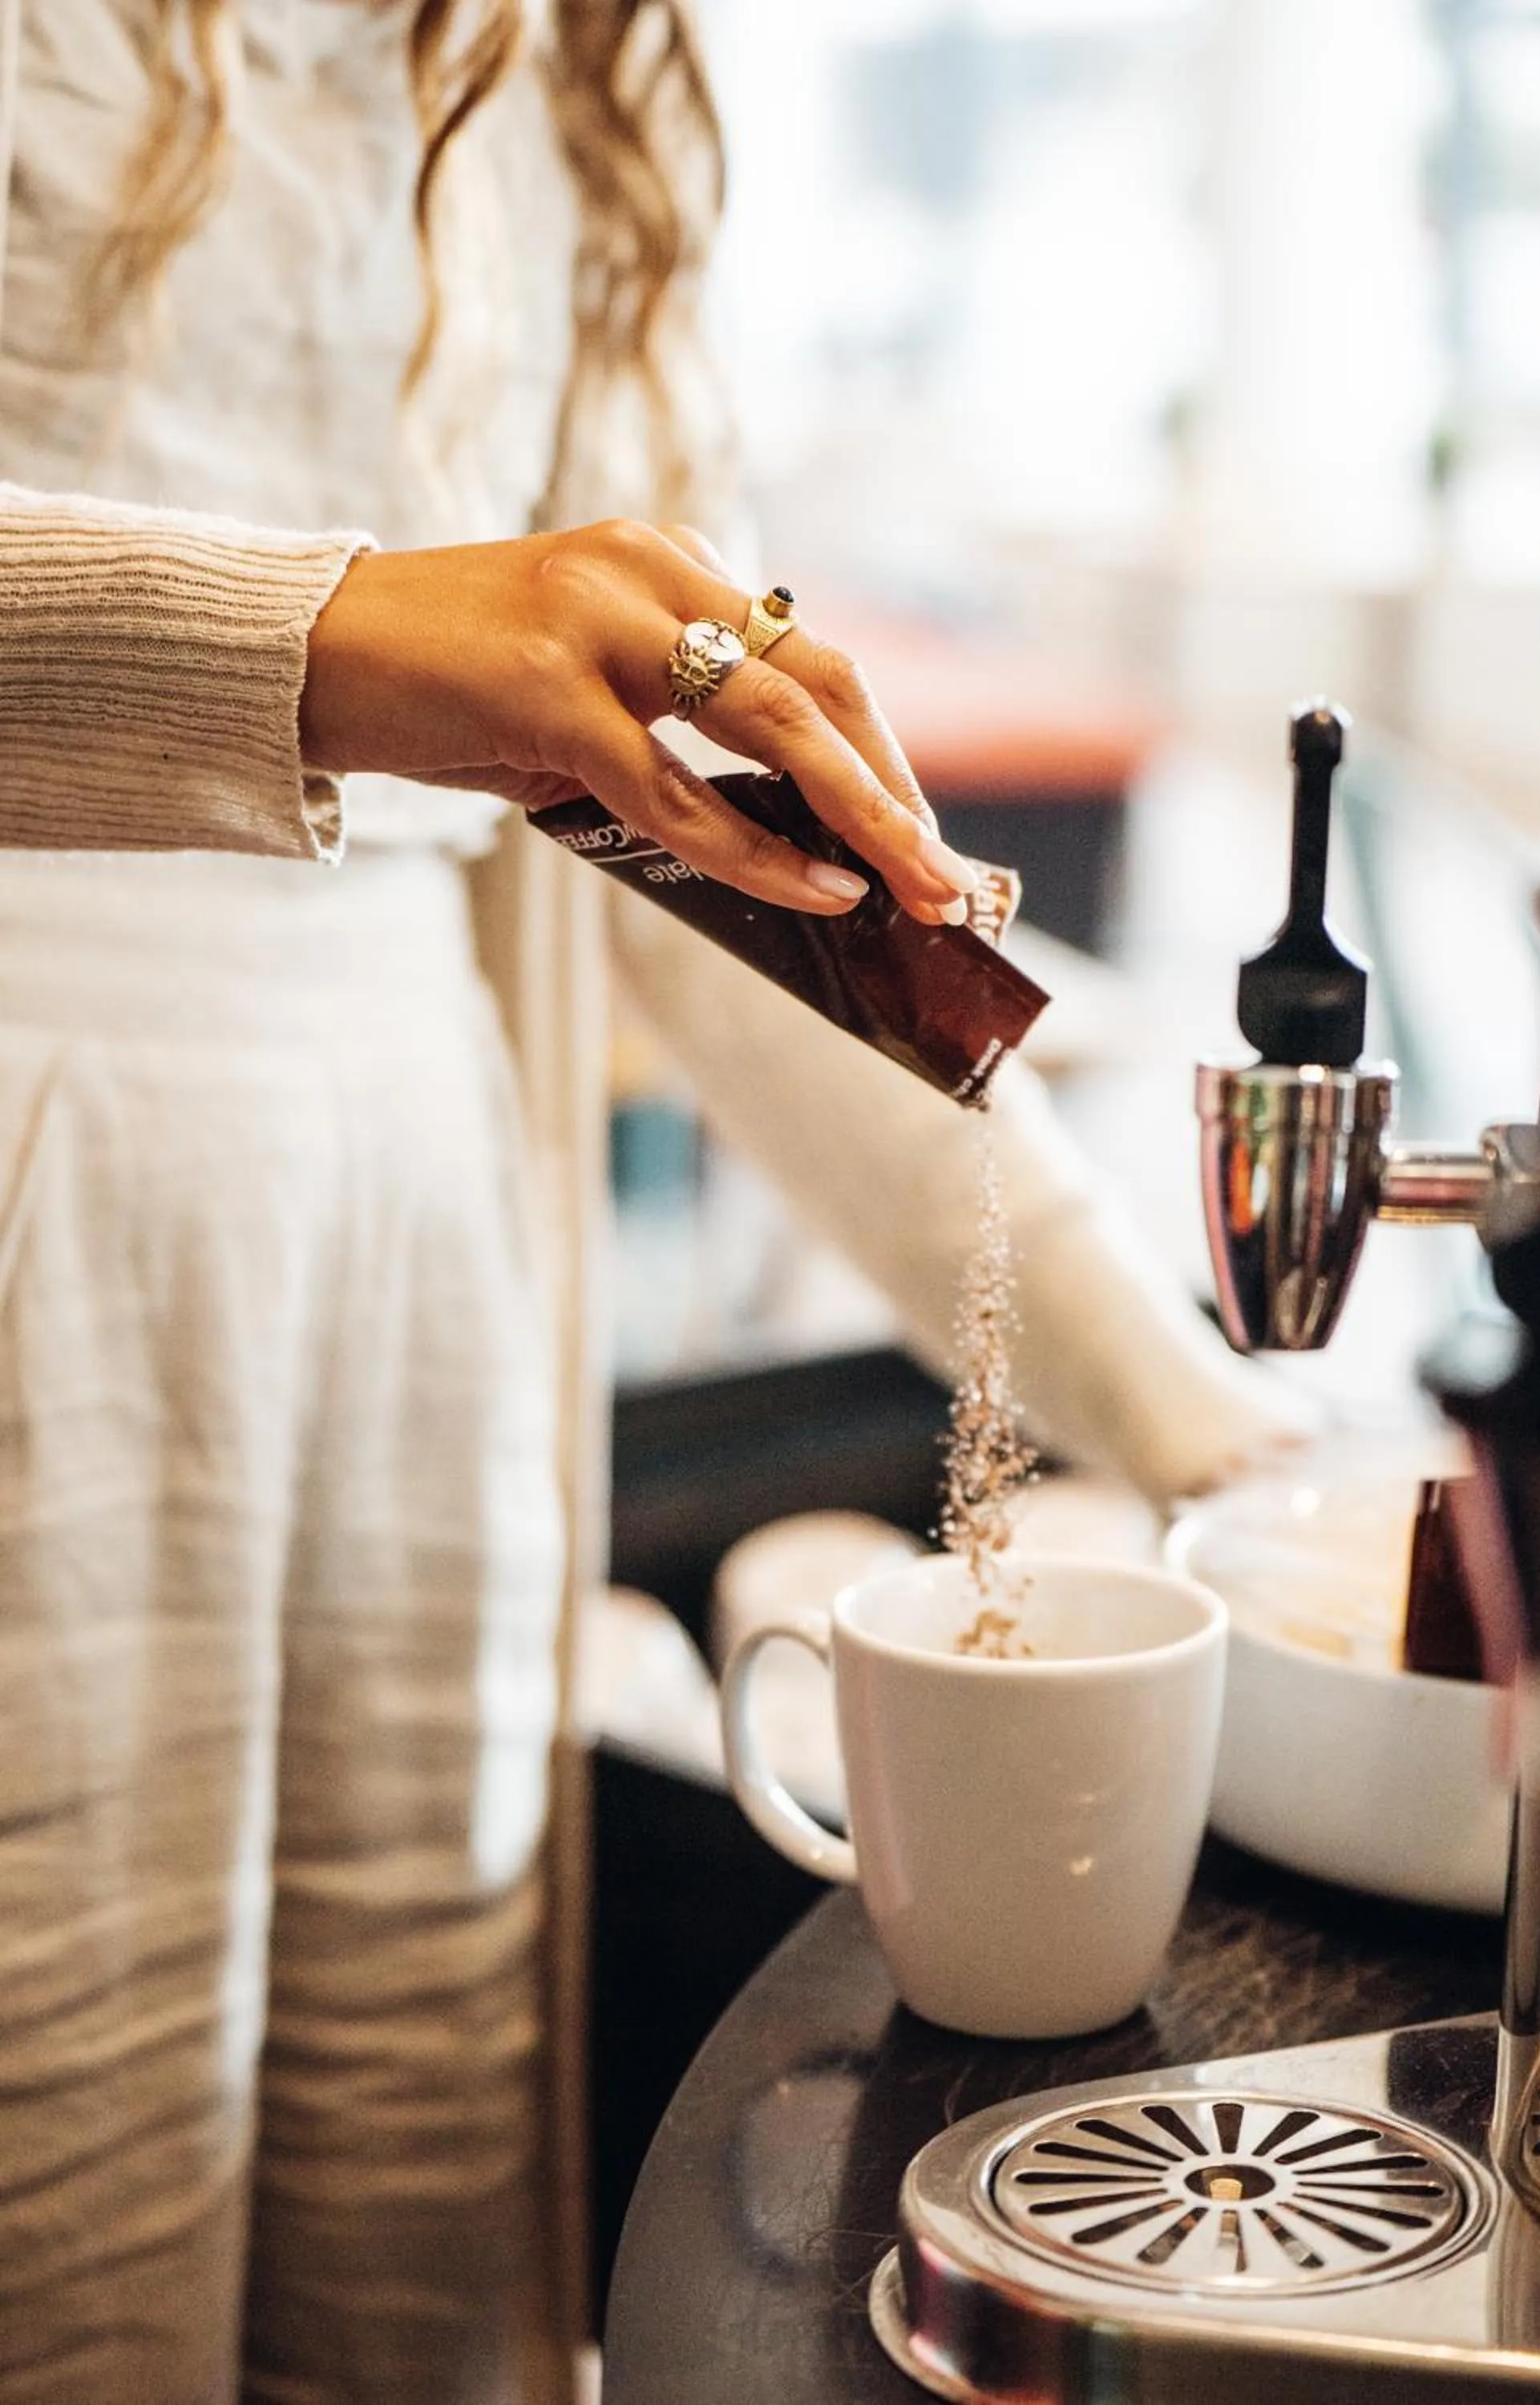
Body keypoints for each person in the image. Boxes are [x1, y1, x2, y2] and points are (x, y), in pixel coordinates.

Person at [0, 5, 1304, 2399]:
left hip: (416, 1221)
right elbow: (441, 673)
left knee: (404, 2251)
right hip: (45, 1184)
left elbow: (679, 852)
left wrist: (1215, 1432)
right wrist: (325, 640)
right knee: (67, 2227)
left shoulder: (562, 53)